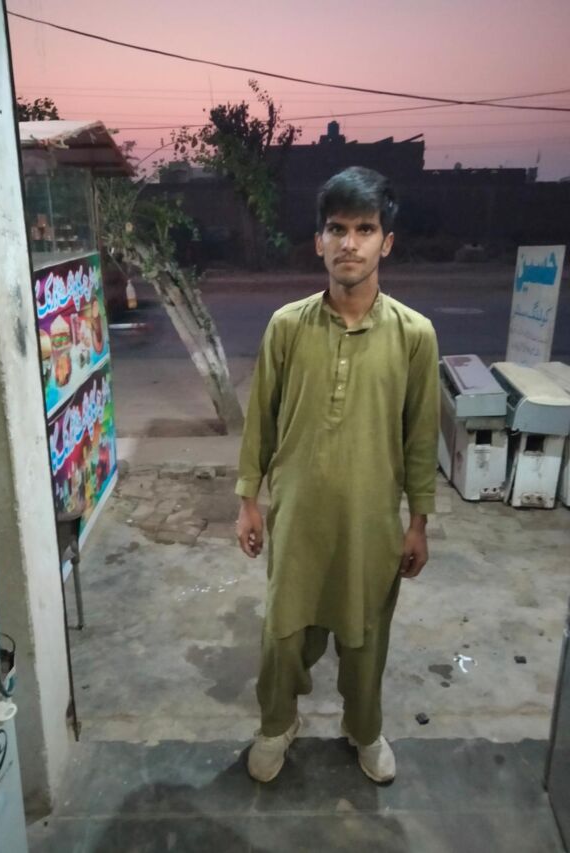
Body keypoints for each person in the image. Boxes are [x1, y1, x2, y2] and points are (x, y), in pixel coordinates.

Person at [235, 166, 439, 785]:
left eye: (365, 229)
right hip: (297, 517)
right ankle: (277, 724)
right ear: (319, 240)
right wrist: (248, 501)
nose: (350, 243)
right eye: (337, 229)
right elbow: (261, 421)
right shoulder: (287, 326)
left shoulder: (414, 336)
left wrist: (418, 522)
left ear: (386, 242)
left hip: (370, 525)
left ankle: (364, 729)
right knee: (283, 633)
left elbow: (421, 438)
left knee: (366, 635)